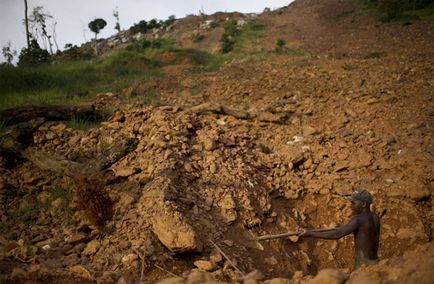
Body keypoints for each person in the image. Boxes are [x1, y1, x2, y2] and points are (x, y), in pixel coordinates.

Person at [298, 189, 380, 269]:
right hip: (375, 263)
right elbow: (339, 230)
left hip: (363, 265)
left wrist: (310, 234)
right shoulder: (375, 217)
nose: (351, 206)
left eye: (353, 203)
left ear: (363, 204)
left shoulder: (358, 219)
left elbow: (338, 234)